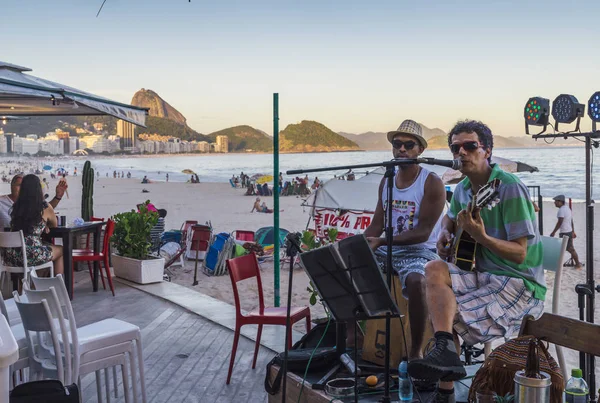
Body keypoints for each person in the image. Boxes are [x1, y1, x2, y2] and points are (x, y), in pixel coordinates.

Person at [407, 120, 544, 402]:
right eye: (456, 148)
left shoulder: (509, 188)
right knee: (433, 268)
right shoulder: (463, 190)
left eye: (470, 146)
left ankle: (445, 392)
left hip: (518, 281)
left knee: (444, 312)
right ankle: (445, 349)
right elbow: (450, 219)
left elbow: (520, 254)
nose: (462, 153)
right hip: (481, 273)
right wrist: (445, 233)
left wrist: (481, 237)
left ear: (487, 151)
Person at [363, 119, 446, 366]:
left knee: (416, 280)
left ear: (420, 150)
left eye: (409, 145)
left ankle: (415, 353)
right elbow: (377, 223)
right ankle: (352, 337)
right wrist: (361, 245)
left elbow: (423, 232)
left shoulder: (431, 182)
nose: (402, 149)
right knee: (350, 266)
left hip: (421, 251)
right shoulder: (387, 180)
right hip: (388, 247)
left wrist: (381, 241)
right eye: (397, 144)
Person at [2, 174, 64, 276]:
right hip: (30, 255)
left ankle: (32, 286)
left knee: (41, 249)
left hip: (10, 256)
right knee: (61, 250)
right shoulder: (45, 207)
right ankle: (58, 285)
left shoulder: (16, 207)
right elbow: (54, 225)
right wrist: (45, 224)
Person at [0, 174, 68, 231]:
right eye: (19, 185)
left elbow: (44, 210)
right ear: (11, 186)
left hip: (15, 243)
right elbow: (46, 211)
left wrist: (57, 197)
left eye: (24, 186)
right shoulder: (3, 202)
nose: (22, 189)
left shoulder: (26, 204)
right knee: (61, 247)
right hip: (16, 243)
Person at [550, 194, 582, 269]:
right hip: (569, 231)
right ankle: (560, 264)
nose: (554, 203)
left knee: (570, 249)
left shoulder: (561, 210)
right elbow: (571, 221)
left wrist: (553, 232)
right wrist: (573, 231)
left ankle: (577, 264)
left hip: (565, 232)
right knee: (564, 248)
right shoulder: (567, 209)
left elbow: (560, 222)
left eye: (556, 201)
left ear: (560, 201)